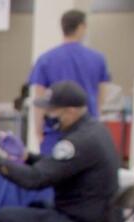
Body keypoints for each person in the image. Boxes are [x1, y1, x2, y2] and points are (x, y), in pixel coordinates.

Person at [0, 81, 120, 222]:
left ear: (70, 111)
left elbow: (35, 179)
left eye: (52, 111)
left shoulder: (77, 142)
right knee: (37, 207)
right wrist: (26, 156)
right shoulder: (95, 131)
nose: (48, 117)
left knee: (4, 220)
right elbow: (58, 167)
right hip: (95, 216)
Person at [29, 9, 111, 156]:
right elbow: (101, 97)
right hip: (87, 132)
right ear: (81, 27)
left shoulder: (45, 60)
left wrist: (38, 132)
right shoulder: (98, 59)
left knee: (50, 173)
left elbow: (39, 100)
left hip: (55, 132)